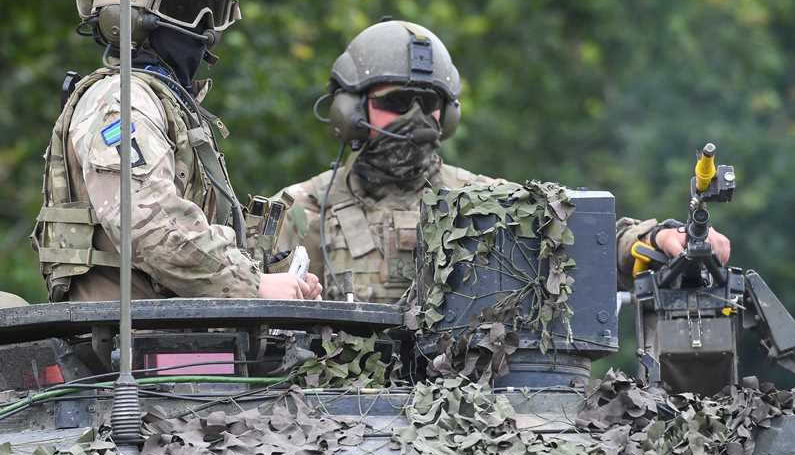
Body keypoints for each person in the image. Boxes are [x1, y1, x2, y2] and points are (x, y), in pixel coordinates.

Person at [272, 19, 730, 303]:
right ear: (351, 111)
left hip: (457, 426)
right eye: (396, 101)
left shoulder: (484, 203)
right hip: (329, 424)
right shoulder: (299, 212)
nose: (414, 119)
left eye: (426, 102)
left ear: (447, 114)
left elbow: (585, 242)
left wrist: (658, 240)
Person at [32, 0, 320, 302]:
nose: (203, 29)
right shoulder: (122, 102)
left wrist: (277, 281)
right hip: (124, 348)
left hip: (168, 337)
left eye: (212, 13)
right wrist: (255, 287)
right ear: (127, 15)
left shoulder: (169, 107)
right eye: (186, 8)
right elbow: (147, 223)